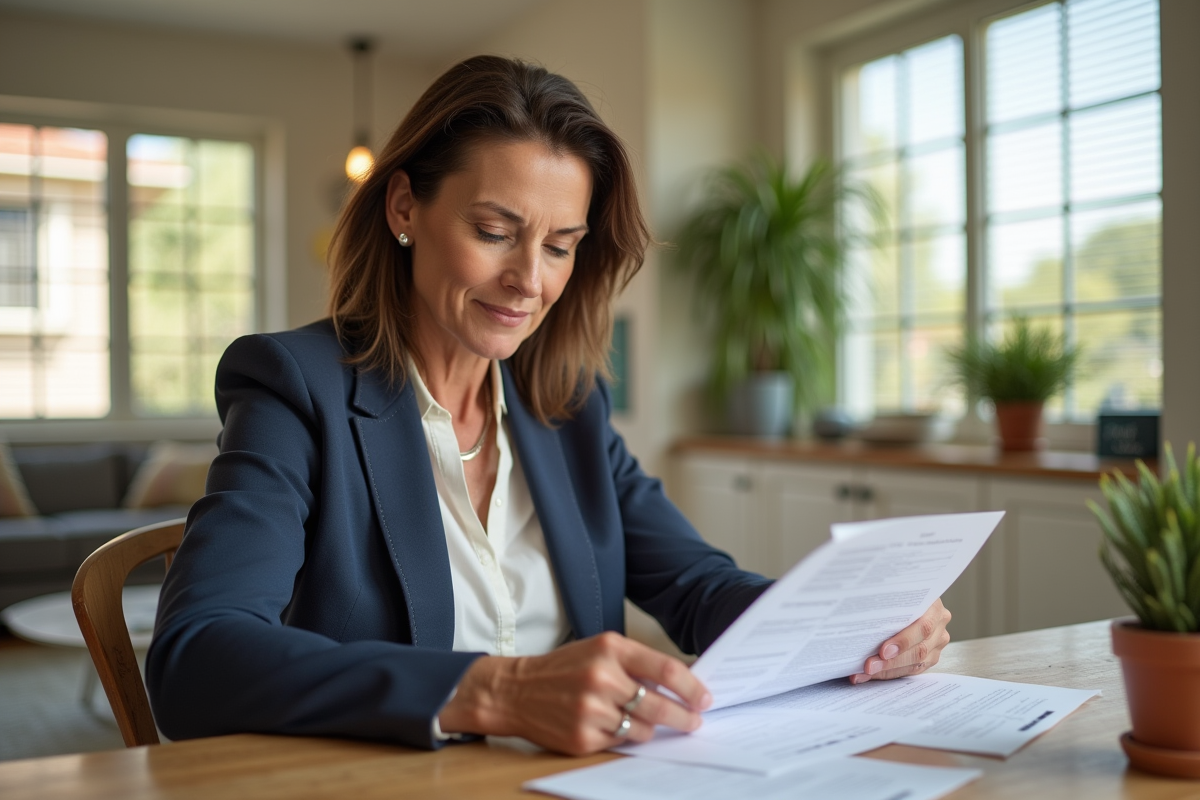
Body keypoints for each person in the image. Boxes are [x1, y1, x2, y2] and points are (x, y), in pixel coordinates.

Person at [145, 55, 951, 755]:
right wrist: (498, 692)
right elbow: (196, 656)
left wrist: (850, 624)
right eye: (495, 232)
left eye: (561, 246)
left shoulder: (569, 407)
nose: (529, 281)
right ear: (404, 209)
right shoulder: (295, 386)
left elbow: (697, 586)